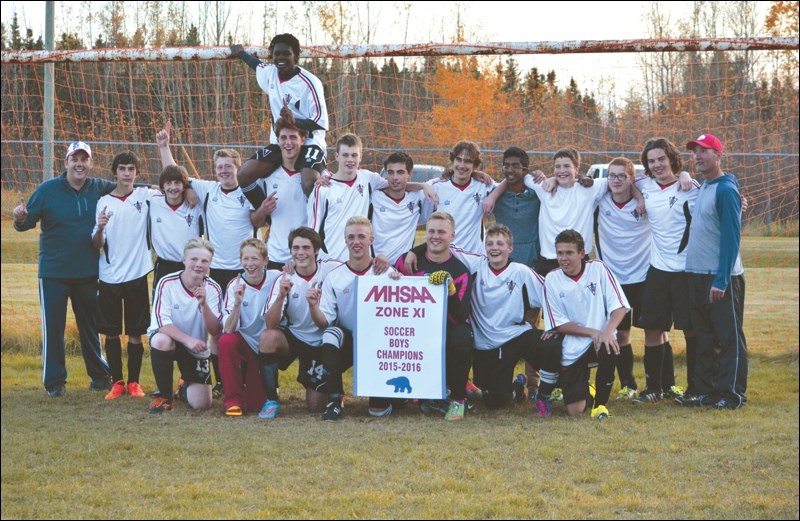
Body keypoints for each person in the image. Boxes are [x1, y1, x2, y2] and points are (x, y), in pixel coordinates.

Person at [158, 125, 270, 399]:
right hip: (217, 270)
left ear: (237, 168)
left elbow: (259, 220)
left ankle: (255, 378)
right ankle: (222, 380)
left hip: (244, 269)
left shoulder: (250, 190)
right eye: (219, 166)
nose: (223, 171)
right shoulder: (208, 190)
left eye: (229, 167)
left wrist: (262, 212)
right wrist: (164, 148)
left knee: (246, 327)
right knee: (217, 331)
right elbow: (175, 175)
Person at [12, 141, 114, 397]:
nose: (79, 164)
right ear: (66, 162)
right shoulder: (48, 190)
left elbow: (128, 187)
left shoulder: (99, 188)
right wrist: (19, 217)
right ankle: (54, 383)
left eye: (84, 159)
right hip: (54, 273)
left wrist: (173, 187)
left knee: (90, 327)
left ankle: (100, 376)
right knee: (54, 328)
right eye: (74, 159)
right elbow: (25, 223)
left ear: (90, 163)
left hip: (88, 271)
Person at [453, 224, 562, 413]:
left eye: (500, 244)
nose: (494, 248)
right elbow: (446, 246)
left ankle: (544, 396)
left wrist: (555, 327)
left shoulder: (521, 272)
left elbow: (550, 295)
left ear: (510, 248)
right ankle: (516, 389)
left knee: (552, 345)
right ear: (484, 247)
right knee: (495, 402)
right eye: (490, 243)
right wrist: (416, 251)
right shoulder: (476, 265)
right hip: (486, 344)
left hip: (516, 335)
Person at [682, 133, 748, 409]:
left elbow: (731, 240)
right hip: (697, 275)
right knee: (706, 338)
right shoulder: (705, 187)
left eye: (704, 151)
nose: (698, 156)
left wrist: (721, 279)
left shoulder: (725, 190)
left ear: (718, 156)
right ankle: (709, 391)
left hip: (720, 278)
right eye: (695, 151)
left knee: (729, 337)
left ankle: (732, 394)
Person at [632, 137, 700, 404]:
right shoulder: (645, 185)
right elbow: (624, 183)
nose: (657, 164)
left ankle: (694, 387)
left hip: (685, 271)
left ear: (671, 158)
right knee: (651, 328)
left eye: (661, 159)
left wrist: (685, 173)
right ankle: (654, 389)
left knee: (690, 330)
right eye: (651, 161)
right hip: (658, 269)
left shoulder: (689, 187)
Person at [312, 217, 399, 420]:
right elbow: (325, 321)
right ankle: (335, 399)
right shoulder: (335, 276)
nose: (356, 241)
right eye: (351, 237)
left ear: (371, 239)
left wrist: (398, 283)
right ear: (345, 240)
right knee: (331, 334)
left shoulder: (387, 273)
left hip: (379, 344)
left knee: (377, 411)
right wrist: (312, 306)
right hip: (349, 341)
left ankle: (388, 395)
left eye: (361, 236)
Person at [230, 33, 328, 207]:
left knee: (308, 183)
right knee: (244, 174)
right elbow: (257, 65)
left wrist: (294, 122)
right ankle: (268, 220)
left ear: (295, 56)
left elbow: (320, 123)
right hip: (281, 143)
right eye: (277, 54)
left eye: (286, 54)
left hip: (309, 142)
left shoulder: (310, 83)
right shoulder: (271, 73)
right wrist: (241, 53)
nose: (281, 58)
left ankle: (318, 228)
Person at [396, 212, 477, 420]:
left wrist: (449, 291)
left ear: (453, 236)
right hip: (412, 329)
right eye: (431, 231)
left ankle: (458, 398)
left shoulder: (460, 271)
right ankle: (419, 392)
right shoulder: (407, 262)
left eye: (442, 232)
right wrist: (391, 276)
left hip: (446, 327)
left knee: (461, 336)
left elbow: (459, 317)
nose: (435, 236)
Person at [542, 229, 630, 418]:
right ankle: (587, 391)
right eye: (560, 253)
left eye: (569, 253)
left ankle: (600, 404)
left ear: (582, 253)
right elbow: (558, 324)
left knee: (609, 345)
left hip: (600, 339)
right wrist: (593, 332)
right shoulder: (552, 279)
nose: (564, 258)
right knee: (575, 411)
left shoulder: (598, 268)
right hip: (573, 346)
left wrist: (607, 332)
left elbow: (620, 307)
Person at [257, 227, 342, 419]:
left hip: (322, 341)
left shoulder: (332, 268)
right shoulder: (284, 277)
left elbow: (357, 266)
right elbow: (271, 324)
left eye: (306, 247)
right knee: (268, 338)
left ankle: (332, 392)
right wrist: (280, 296)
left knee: (315, 407)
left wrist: (381, 261)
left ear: (316, 250)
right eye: (296, 248)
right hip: (295, 337)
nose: (300, 253)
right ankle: (271, 400)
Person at [308, 133, 433, 262]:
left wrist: (423, 185)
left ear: (360, 157)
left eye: (354, 155)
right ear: (337, 157)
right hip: (329, 261)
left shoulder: (368, 179)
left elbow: (396, 184)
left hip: (358, 262)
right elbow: (312, 231)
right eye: (345, 155)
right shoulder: (323, 189)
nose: (350, 160)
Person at [91, 151, 152, 400]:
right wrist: (101, 227)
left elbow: (174, 187)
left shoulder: (145, 196)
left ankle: (135, 382)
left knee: (136, 332)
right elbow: (96, 243)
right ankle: (117, 382)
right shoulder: (103, 202)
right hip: (110, 276)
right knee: (112, 331)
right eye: (122, 169)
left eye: (131, 169)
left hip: (137, 274)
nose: (127, 173)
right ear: (114, 172)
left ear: (137, 173)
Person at [591, 157, 651, 408]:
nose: (616, 180)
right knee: (620, 333)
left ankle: (660, 384)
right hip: (614, 280)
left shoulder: (646, 195)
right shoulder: (599, 198)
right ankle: (628, 384)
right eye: (612, 176)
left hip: (645, 276)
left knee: (654, 331)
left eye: (621, 176)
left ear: (631, 178)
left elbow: (680, 180)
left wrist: (639, 197)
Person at [147, 237, 223, 413]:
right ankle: (164, 397)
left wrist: (204, 304)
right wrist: (187, 339)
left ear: (210, 263)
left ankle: (183, 388)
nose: (198, 264)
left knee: (202, 404)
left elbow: (215, 330)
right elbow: (161, 323)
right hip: (172, 339)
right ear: (184, 260)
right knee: (161, 340)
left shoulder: (213, 288)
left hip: (196, 347)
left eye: (204, 261)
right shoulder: (167, 283)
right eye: (194, 259)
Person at [491, 146, 543, 401]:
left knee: (531, 327)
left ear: (525, 169)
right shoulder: (496, 193)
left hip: (531, 271)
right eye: (506, 165)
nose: (510, 170)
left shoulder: (536, 194)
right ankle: (505, 381)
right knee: (504, 326)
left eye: (515, 166)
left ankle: (534, 385)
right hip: (503, 275)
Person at [217, 239, 281, 416]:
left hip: (265, 345)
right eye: (245, 259)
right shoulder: (234, 286)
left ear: (265, 261)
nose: (250, 264)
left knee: (256, 405)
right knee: (226, 341)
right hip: (245, 341)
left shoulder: (276, 277)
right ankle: (233, 400)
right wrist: (237, 303)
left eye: (254, 259)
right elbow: (229, 329)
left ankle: (267, 386)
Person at [256, 118, 317, 269]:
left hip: (304, 258)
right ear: (277, 140)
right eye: (283, 138)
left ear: (303, 140)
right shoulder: (266, 177)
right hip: (274, 257)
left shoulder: (317, 177)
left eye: (293, 137)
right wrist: (262, 210)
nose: (288, 143)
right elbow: (256, 222)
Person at [429, 141, 495, 254]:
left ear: (474, 165)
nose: (462, 165)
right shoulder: (435, 186)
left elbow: (507, 184)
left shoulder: (483, 185)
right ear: (452, 160)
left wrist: (493, 196)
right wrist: (422, 186)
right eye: (459, 160)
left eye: (468, 161)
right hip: (445, 256)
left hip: (475, 257)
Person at [371, 152, 432, 265]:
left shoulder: (417, 197)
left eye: (400, 172)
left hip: (403, 267)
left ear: (409, 174)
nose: (395, 177)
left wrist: (425, 186)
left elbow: (449, 177)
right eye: (390, 172)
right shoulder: (373, 197)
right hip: (375, 266)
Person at [149, 161, 202, 290]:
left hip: (191, 266)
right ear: (162, 187)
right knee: (162, 308)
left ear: (184, 186)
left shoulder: (196, 205)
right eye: (168, 183)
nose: (173, 187)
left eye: (177, 183)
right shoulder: (152, 201)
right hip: (164, 266)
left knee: (192, 306)